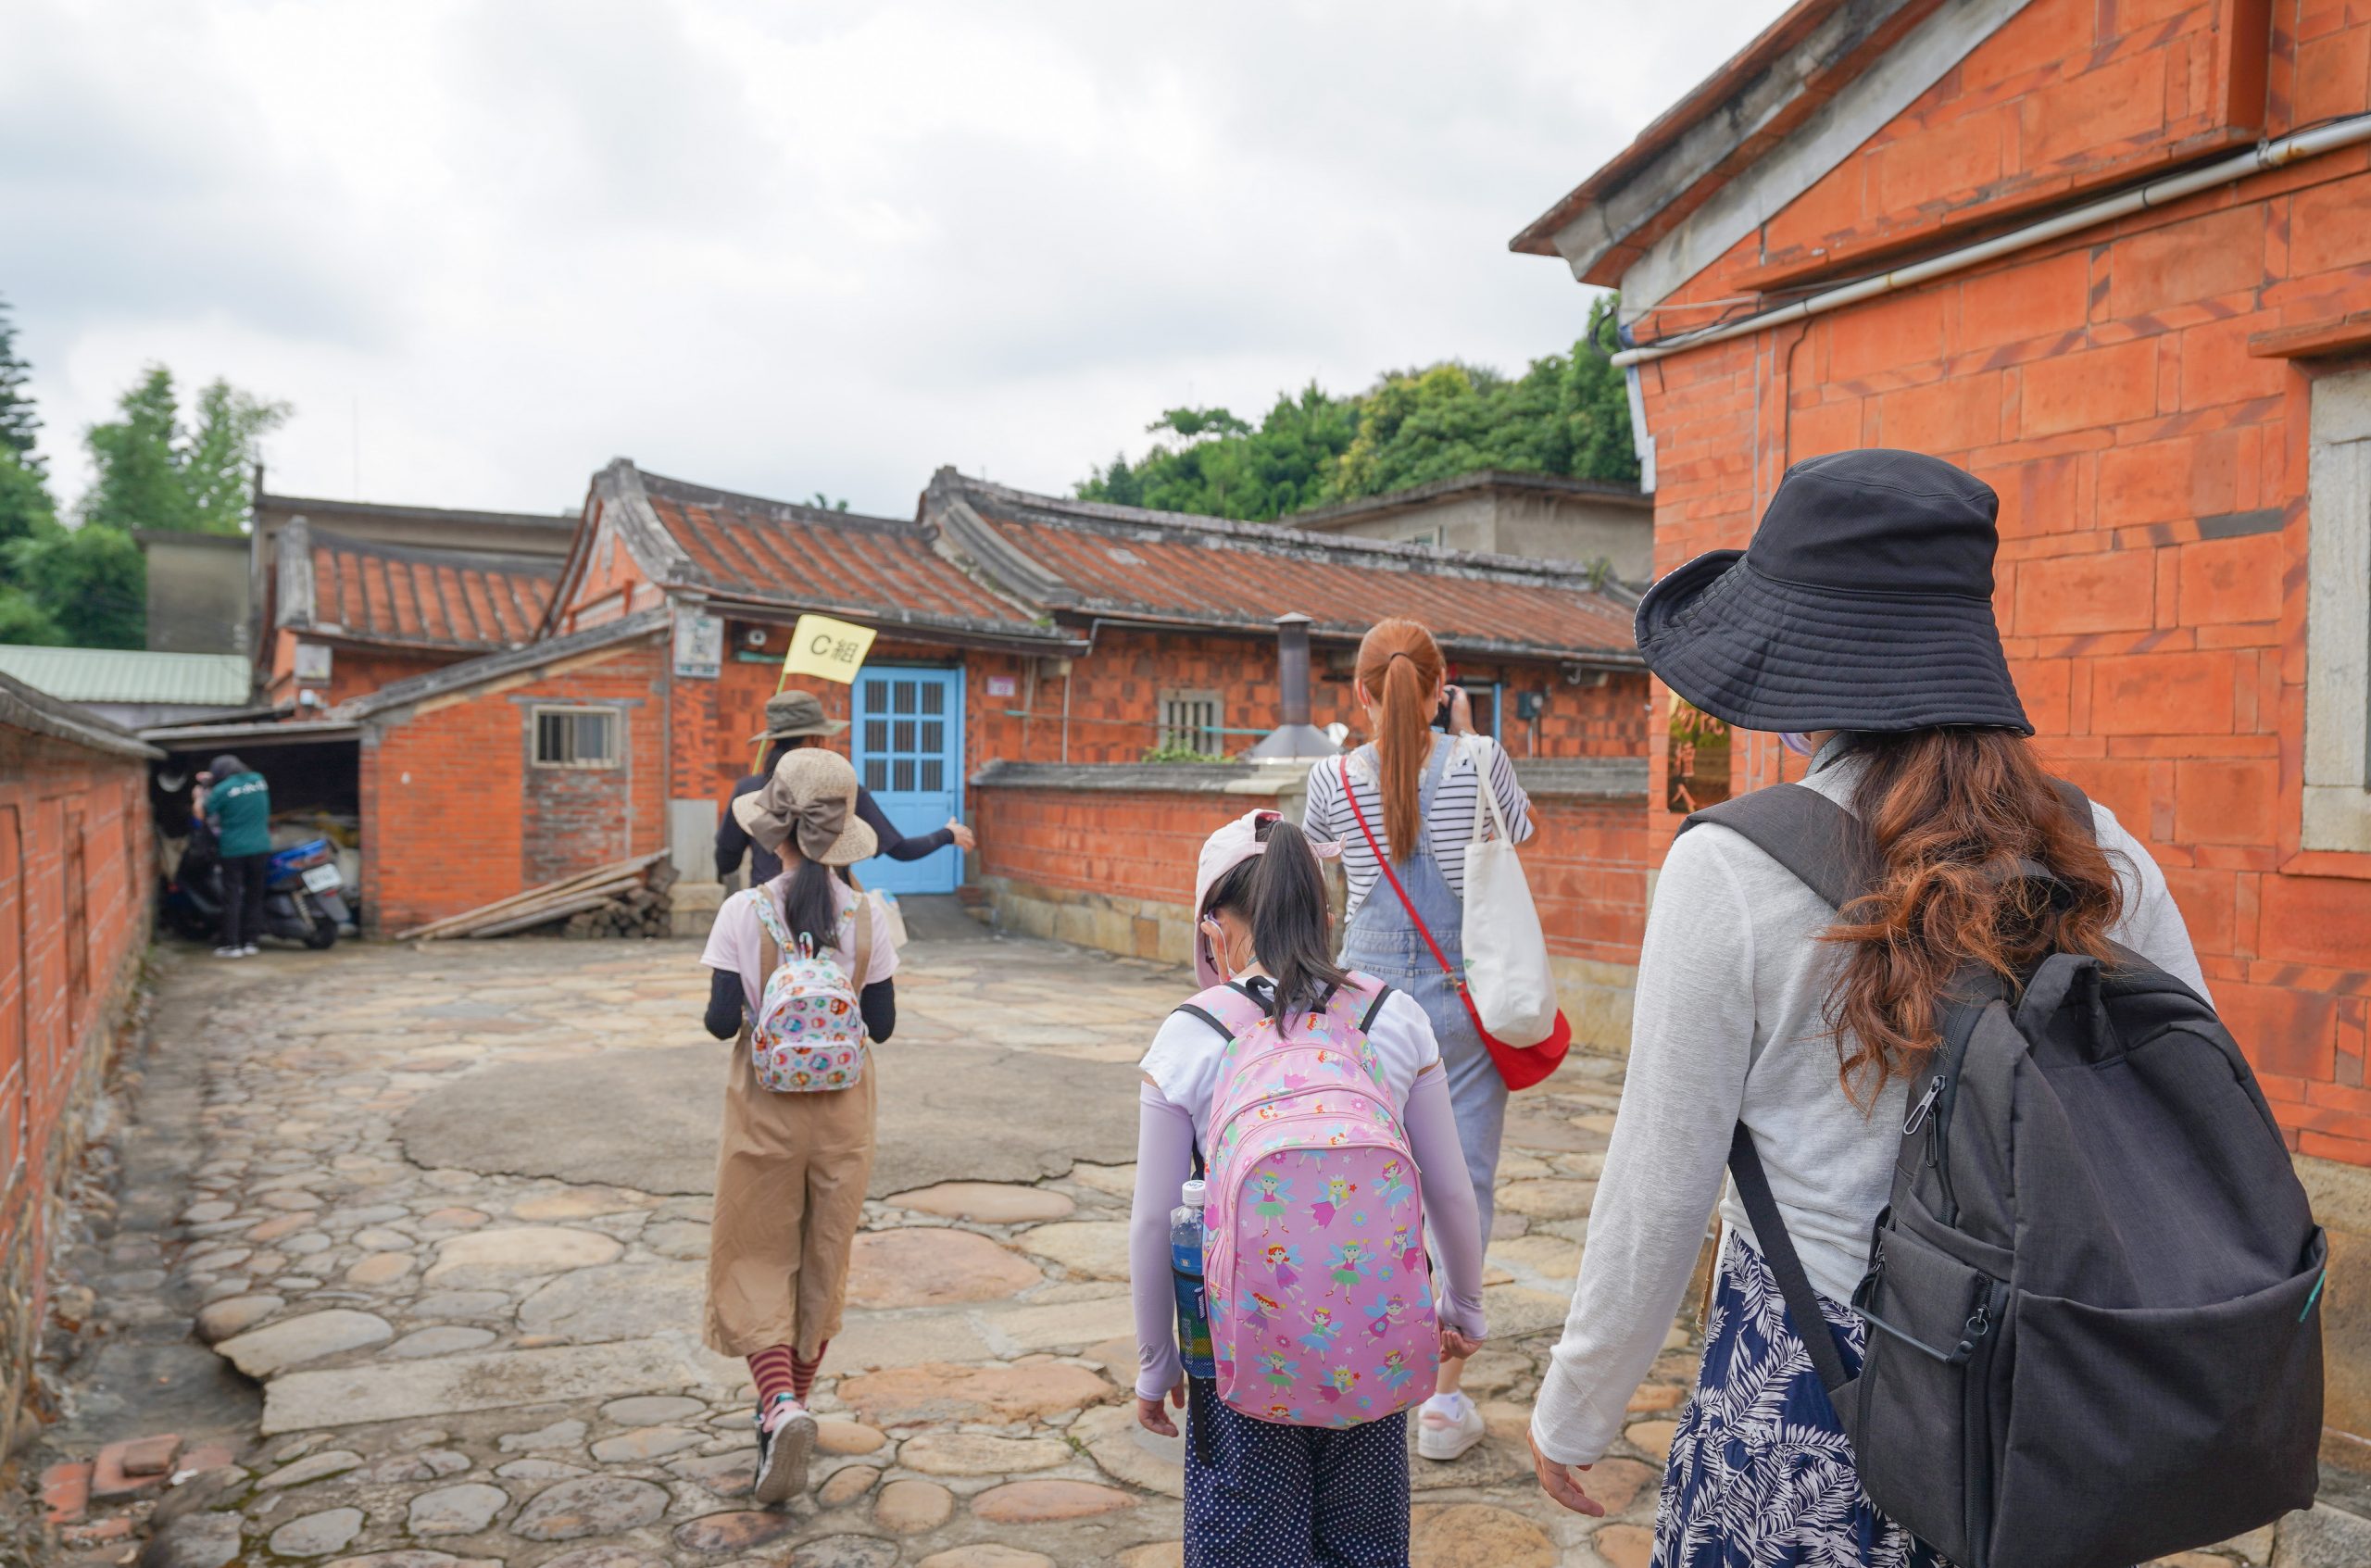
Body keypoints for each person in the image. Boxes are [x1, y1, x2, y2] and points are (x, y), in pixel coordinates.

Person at [1525, 450, 2209, 1562]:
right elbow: (2187, 1106)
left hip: (1816, 1393)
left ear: (1803, 668)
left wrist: (1578, 1407)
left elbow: (1661, 1179)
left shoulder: (1733, 870)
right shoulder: (2103, 851)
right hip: (2047, 1401)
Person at [1130, 809, 1488, 1566]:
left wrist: (1156, 1362)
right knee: (1365, 1541)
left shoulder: (1193, 1033)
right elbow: (1451, 1192)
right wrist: (1463, 1305)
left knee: (1252, 1543)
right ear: (1325, 913)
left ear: (1214, 928)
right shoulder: (1394, 1017)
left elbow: (1152, 1224)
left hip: (1237, 1348)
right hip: (1374, 1335)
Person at [1297, 618, 1534, 1462]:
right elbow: (1520, 843)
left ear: (1360, 694)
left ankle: (1359, 1366)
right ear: (1441, 688)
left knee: (1363, 1184)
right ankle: (1441, 1404)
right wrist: (1467, 739)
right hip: (1463, 1001)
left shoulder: (1331, 778)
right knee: (1459, 1188)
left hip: (1364, 1008)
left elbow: (1322, 886)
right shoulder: (1483, 760)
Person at [699, 746, 900, 1505]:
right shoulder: (869, 913)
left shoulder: (742, 911)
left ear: (772, 828)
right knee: (823, 1253)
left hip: (765, 1104)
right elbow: (879, 1024)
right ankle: (795, 1403)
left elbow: (723, 1022)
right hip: (845, 1109)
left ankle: (778, 1403)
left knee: (754, 1250)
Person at [716, 689, 976, 887]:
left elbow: (726, 860)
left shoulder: (749, 791)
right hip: (829, 919)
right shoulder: (845, 792)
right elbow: (901, 850)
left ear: (773, 740)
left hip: (766, 918)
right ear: (816, 739)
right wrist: (948, 834)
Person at [205, 753, 271, 959]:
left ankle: (232, 945)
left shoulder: (222, 790)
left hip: (233, 850)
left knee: (232, 896)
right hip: (261, 846)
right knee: (255, 894)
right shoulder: (258, 780)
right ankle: (251, 941)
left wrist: (202, 791)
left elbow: (204, 812)